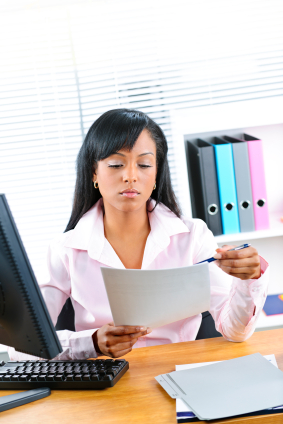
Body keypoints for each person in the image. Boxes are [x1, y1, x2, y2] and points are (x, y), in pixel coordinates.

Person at [9, 109, 269, 360]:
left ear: (156, 174)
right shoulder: (66, 249)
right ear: (94, 173)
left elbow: (235, 331)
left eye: (144, 164)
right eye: (115, 164)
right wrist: (92, 343)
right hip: (107, 383)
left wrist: (249, 280)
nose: (130, 176)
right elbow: (22, 347)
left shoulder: (192, 236)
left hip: (181, 373)